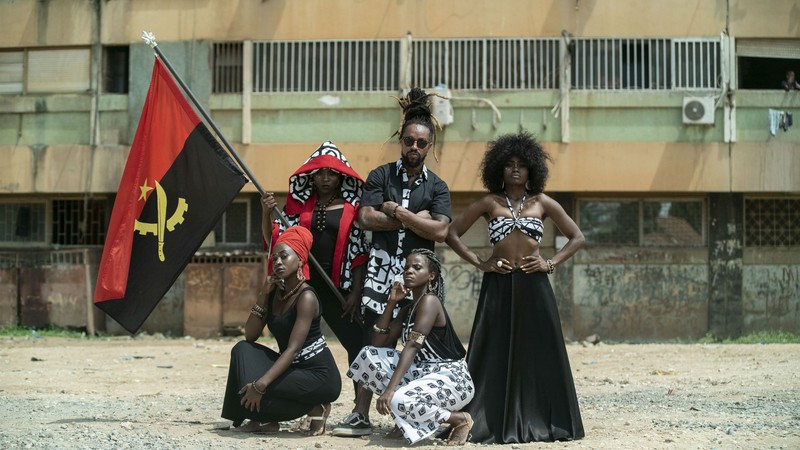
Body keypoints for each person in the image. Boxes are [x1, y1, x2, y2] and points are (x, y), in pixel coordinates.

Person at [445, 131, 585, 443]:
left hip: (534, 286)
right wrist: (481, 263)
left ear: (533, 168)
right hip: (499, 284)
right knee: (492, 351)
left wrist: (549, 263)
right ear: (499, 169)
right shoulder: (488, 202)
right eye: (509, 164)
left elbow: (577, 237)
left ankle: (547, 420)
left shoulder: (543, 202)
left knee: (541, 351)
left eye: (522, 164)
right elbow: (452, 234)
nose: (516, 169)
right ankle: (484, 418)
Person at [332, 87, 452, 437]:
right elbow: (365, 219)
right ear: (401, 141)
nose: (414, 148)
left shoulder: (439, 187)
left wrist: (397, 211)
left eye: (420, 143)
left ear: (429, 146)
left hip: (420, 276)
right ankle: (360, 413)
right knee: (375, 339)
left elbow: (442, 231)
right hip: (381, 270)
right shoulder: (380, 176)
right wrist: (417, 218)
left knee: (419, 343)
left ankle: (418, 415)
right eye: (408, 141)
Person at [261, 142, 368, 415]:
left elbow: (358, 252)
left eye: (331, 173)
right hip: (304, 285)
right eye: (319, 173)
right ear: (311, 176)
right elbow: (276, 238)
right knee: (295, 344)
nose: (325, 179)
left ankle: (359, 410)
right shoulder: (299, 207)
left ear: (340, 176)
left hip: (338, 288)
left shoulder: (351, 206)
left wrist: (355, 292)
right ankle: (306, 403)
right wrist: (265, 212)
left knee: (355, 342)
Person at [346, 248, 474, 446]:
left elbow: (413, 344)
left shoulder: (430, 301)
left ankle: (459, 419)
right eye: (406, 267)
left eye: (416, 267)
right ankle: (404, 421)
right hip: (422, 372)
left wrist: (389, 390)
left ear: (431, 275)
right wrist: (391, 302)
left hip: (451, 378)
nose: (409, 271)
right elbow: (378, 343)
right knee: (367, 355)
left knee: (396, 399)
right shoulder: (407, 309)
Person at [221, 226, 341, 435]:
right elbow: (250, 335)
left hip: (318, 375)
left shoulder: (307, 297)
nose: (277, 262)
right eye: (275, 258)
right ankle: (258, 417)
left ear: (300, 259)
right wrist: (263, 294)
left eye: (284, 257)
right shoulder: (275, 292)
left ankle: (316, 407)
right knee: (242, 350)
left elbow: (293, 350)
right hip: (292, 369)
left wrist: (260, 385)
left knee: (258, 385)